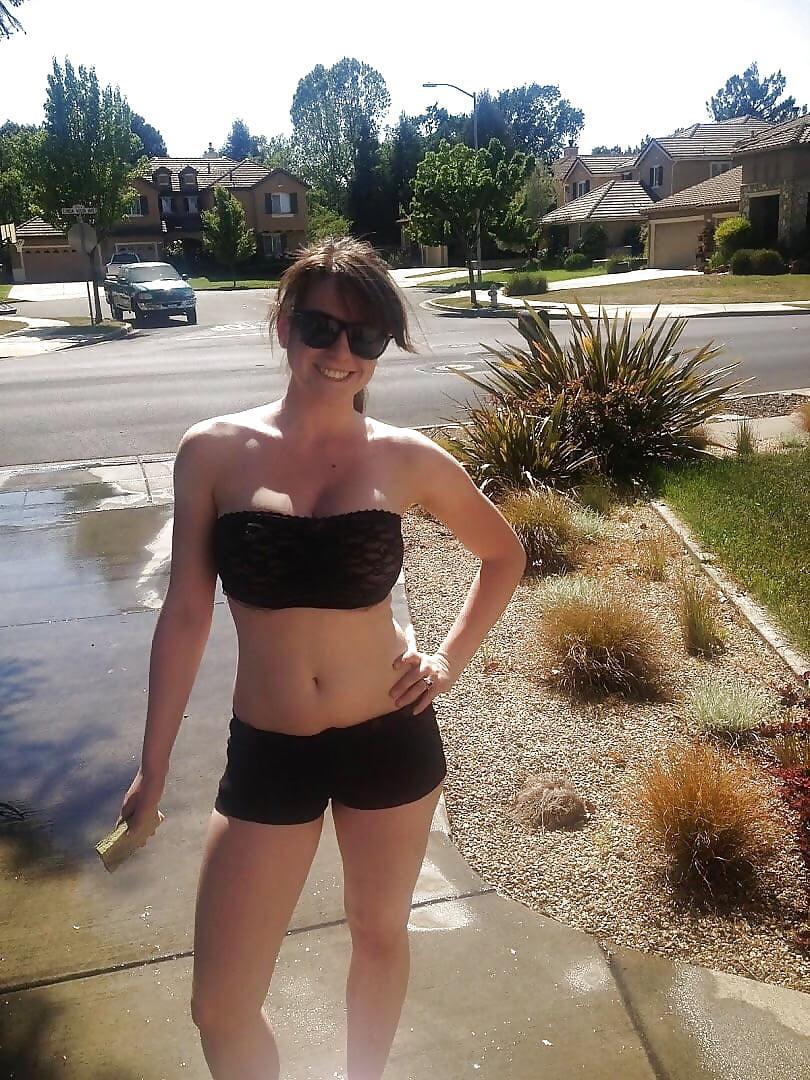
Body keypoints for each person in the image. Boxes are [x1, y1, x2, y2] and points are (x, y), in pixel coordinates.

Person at [117, 237, 527, 1080]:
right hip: (270, 751)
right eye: (321, 326)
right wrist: (153, 768)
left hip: (390, 736)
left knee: (378, 934)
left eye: (365, 335)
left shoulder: (407, 457)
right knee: (220, 1005)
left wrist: (446, 661)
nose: (342, 351)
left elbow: (504, 555)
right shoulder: (213, 451)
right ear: (284, 326)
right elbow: (187, 614)